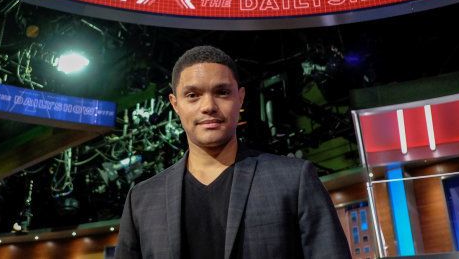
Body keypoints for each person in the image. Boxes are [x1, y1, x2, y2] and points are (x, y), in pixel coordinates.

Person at [116, 46, 350, 259]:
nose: (208, 106)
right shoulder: (141, 199)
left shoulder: (293, 180)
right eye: (192, 95)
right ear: (175, 104)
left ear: (240, 98)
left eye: (222, 92)